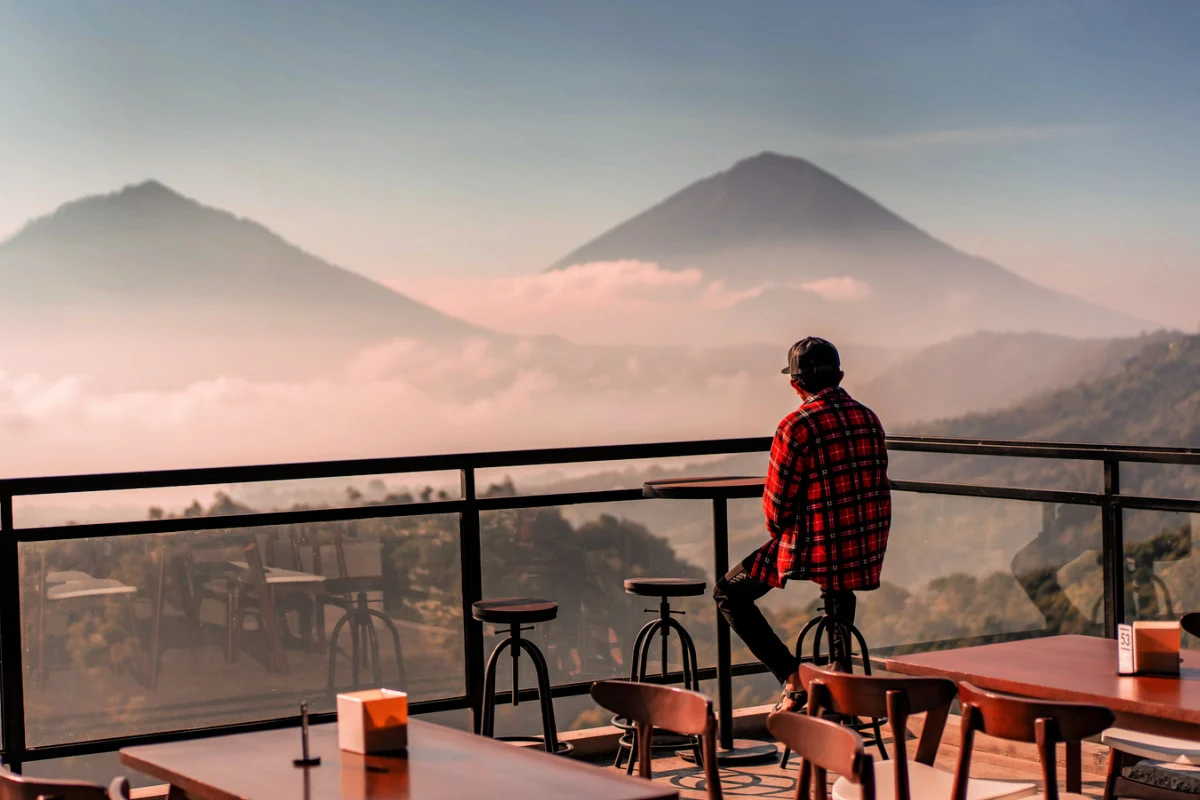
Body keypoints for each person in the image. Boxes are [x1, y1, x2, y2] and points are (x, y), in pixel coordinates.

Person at [712, 337, 891, 712]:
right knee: (839, 579)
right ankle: (841, 678)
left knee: (729, 594)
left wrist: (786, 533)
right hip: (864, 543)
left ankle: (794, 681)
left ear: (795, 384)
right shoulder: (869, 418)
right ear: (840, 376)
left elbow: (777, 510)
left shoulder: (796, 426)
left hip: (817, 546)